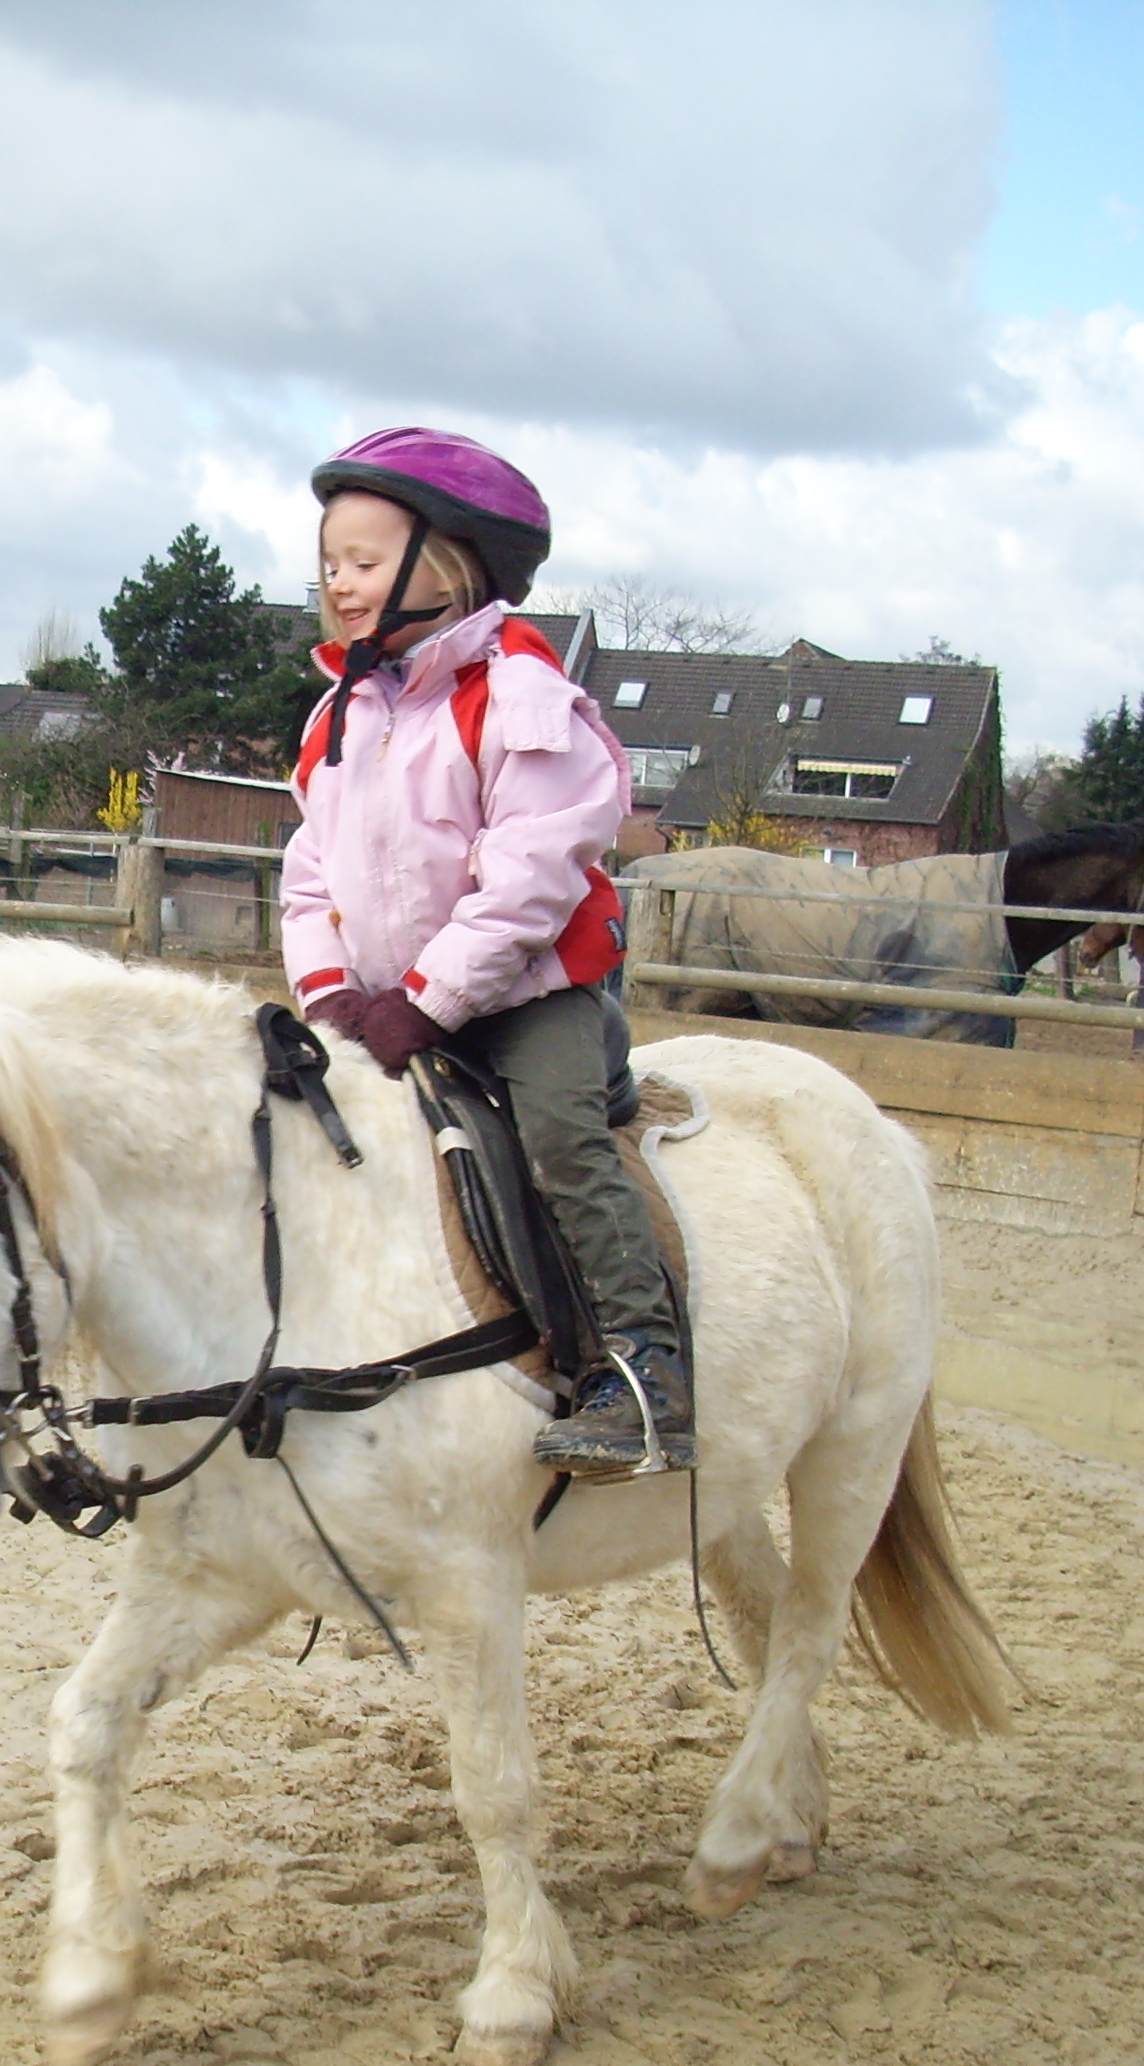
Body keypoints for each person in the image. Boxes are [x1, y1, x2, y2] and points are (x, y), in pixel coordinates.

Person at [281, 427, 692, 1474]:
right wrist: (331, 994)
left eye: (364, 562)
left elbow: (530, 879)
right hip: (381, 1003)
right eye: (330, 563)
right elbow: (310, 869)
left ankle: (643, 1373)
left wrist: (424, 1001)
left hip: (527, 994)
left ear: (449, 566)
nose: (339, 584)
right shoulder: (340, 714)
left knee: (559, 1139)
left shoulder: (517, 695)